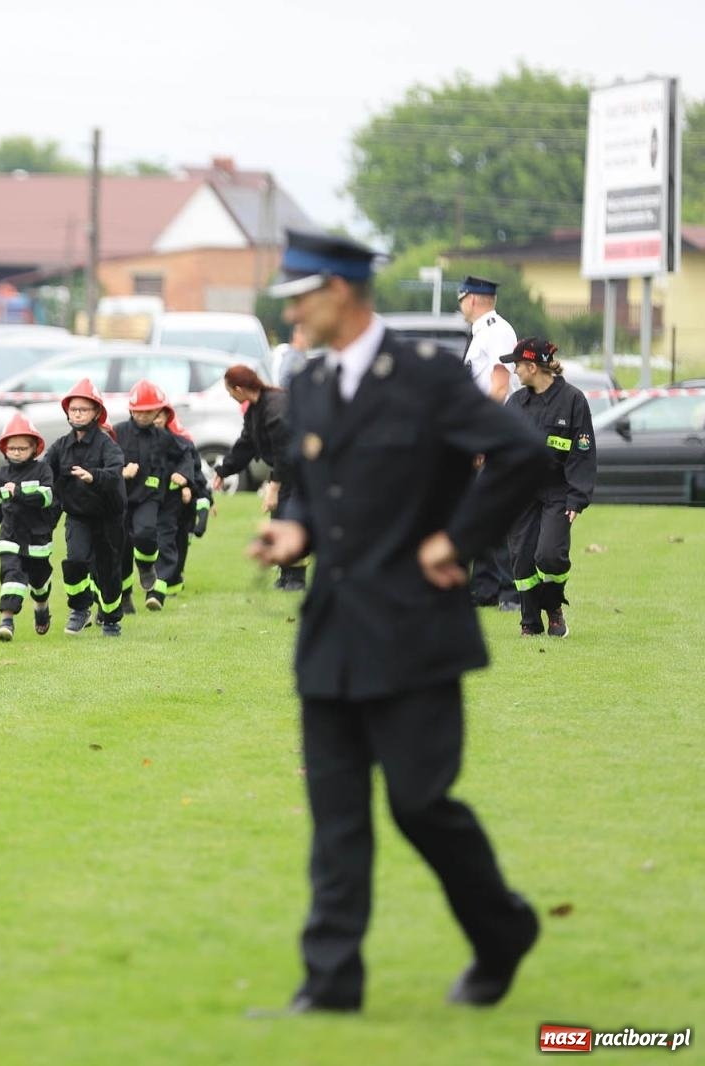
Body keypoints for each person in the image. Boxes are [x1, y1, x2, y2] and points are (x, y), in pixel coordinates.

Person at [249, 229, 543, 1013]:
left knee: (420, 806)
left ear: (339, 292)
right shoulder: (312, 384)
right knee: (336, 816)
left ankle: (504, 930)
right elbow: (321, 493)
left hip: (415, 632)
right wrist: (295, 532)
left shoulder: (425, 377)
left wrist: (458, 539)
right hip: (333, 634)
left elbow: (521, 454)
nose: (293, 314)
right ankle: (330, 984)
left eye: (300, 298)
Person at [499, 337, 596, 638]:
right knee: (522, 558)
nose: (514, 370)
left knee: (550, 555)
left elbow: (582, 452)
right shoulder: (515, 404)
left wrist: (577, 498)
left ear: (532, 366)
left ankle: (553, 607)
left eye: (517, 364)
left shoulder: (573, 400)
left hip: (558, 491)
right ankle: (530, 622)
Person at [458, 274, 521, 611]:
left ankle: (511, 591)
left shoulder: (497, 331)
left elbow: (499, 387)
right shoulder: (482, 332)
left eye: (461, 299)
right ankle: (485, 587)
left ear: (470, 299)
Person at [47, 378, 126, 636]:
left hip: (108, 518)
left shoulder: (107, 445)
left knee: (107, 571)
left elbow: (115, 472)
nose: (78, 414)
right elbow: (44, 471)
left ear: (96, 413)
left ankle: (111, 619)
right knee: (75, 561)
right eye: (73, 409)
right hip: (77, 517)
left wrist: (94, 476)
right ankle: (80, 609)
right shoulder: (60, 446)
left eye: (83, 409)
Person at [213, 365, 303, 590]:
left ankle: (296, 579)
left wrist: (273, 488)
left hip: (300, 470)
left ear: (239, 389)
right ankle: (286, 574)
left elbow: (284, 452)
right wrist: (224, 470)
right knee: (279, 518)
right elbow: (247, 443)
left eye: (229, 391)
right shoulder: (256, 409)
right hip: (286, 471)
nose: (230, 396)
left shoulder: (275, 407)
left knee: (291, 519)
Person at [0, 411, 59, 639]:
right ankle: (6, 621)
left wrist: (19, 492)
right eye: (12, 448)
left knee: (39, 580)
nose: (16, 452)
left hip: (38, 538)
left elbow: (47, 497)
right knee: (12, 574)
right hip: (10, 536)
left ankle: (41, 607)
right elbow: (0, 500)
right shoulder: (2, 474)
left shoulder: (43, 471)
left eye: (22, 448)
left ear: (34, 448)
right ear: (4, 449)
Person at [114, 380, 175, 614]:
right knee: (121, 550)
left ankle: (147, 565)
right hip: (121, 499)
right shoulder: (117, 433)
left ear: (158, 411)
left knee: (146, 532)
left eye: (148, 412)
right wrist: (120, 471)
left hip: (149, 497)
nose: (142, 416)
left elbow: (184, 455)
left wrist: (184, 476)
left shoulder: (164, 438)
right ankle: (124, 597)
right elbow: (104, 460)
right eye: (138, 411)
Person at [150, 404, 208, 601]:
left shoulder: (181, 443)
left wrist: (187, 484)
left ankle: (169, 583)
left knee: (176, 541)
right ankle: (164, 582)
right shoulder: (136, 441)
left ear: (167, 417)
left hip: (176, 504)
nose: (154, 420)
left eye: (158, 415)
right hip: (148, 501)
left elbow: (195, 472)